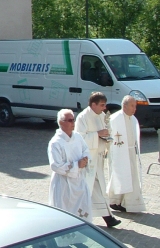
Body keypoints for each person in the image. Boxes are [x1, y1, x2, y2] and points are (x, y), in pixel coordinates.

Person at [75, 92, 121, 227]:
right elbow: (80, 139)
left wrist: (107, 137)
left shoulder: (102, 116)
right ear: (93, 104)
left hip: (98, 158)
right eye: (102, 105)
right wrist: (97, 134)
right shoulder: (82, 117)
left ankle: (106, 217)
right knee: (90, 189)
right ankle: (89, 217)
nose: (104, 107)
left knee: (98, 188)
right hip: (87, 160)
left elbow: (107, 131)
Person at [48, 109, 92, 222]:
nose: (73, 123)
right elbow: (55, 166)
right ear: (61, 122)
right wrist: (76, 165)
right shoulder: (55, 143)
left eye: (73, 120)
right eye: (70, 120)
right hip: (64, 185)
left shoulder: (77, 137)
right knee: (64, 216)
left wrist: (85, 159)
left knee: (82, 213)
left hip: (79, 182)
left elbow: (86, 150)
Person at [107, 95, 146, 213]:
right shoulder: (115, 118)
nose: (135, 109)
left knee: (131, 177)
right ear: (124, 106)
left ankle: (128, 202)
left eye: (135, 106)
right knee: (119, 176)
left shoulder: (133, 119)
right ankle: (114, 200)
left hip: (130, 151)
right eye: (132, 106)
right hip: (119, 152)